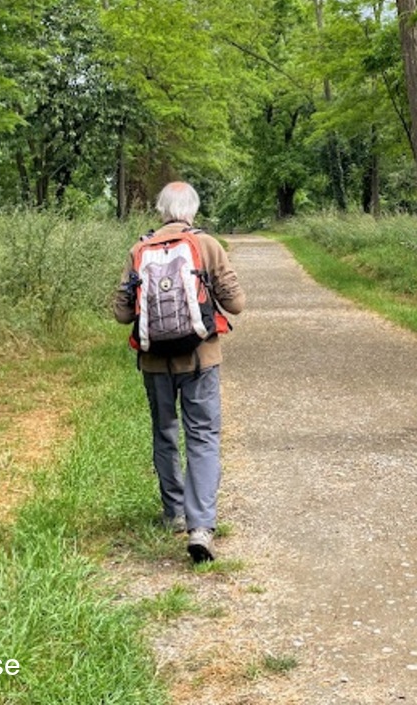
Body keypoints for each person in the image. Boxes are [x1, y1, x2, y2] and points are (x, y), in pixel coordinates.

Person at [114, 181, 245, 562]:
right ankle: (200, 526)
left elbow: (121, 312)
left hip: (154, 360)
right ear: (193, 210)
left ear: (161, 210)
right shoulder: (207, 245)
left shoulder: (139, 249)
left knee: (165, 432)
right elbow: (236, 304)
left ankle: (173, 512)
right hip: (201, 357)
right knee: (202, 435)